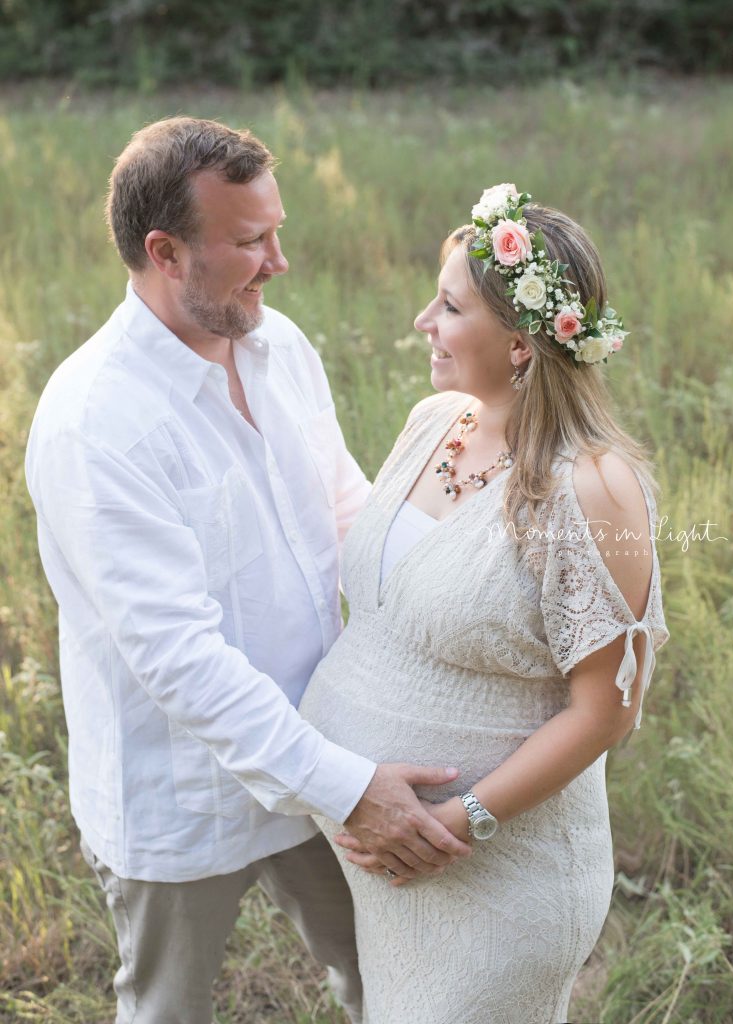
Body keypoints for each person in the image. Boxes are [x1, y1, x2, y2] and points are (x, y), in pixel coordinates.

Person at [24, 117, 471, 1024]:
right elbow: (179, 660)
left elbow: (347, 511)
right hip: (182, 794)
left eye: (278, 231)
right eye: (248, 241)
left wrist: (473, 587)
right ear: (165, 252)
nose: (279, 261)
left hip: (326, 740)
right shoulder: (95, 422)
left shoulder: (280, 348)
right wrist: (350, 791)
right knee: (166, 1009)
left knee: (390, 982)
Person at [299, 183, 670, 1023]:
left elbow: (608, 708)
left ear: (520, 342)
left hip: (494, 879)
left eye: (448, 306)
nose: (421, 322)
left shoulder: (592, 487)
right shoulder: (436, 421)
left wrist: (461, 822)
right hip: (392, 864)